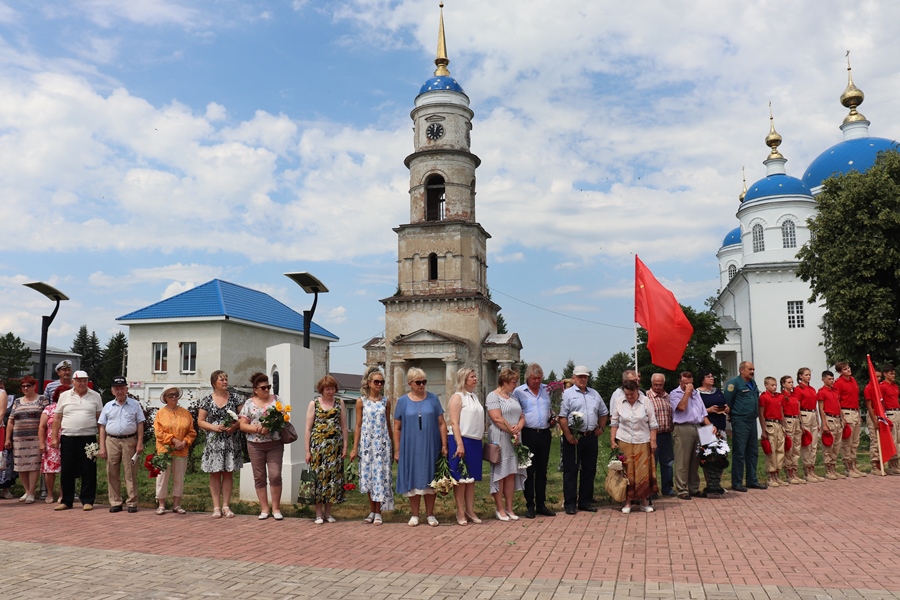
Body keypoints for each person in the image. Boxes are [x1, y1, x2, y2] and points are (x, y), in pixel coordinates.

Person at [393, 367, 448, 527]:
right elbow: (397, 427)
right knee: (413, 477)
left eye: (424, 382)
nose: (422, 385)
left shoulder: (433, 399)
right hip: (410, 446)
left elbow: (441, 423)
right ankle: (415, 515)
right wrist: (397, 449)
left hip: (431, 445)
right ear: (410, 383)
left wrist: (444, 444)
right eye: (418, 382)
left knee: (430, 478)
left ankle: (430, 514)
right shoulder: (402, 401)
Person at [558, 365, 608, 514]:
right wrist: (568, 435)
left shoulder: (594, 394)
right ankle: (570, 504)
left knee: (589, 470)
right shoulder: (567, 394)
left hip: (590, 437)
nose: (583, 379)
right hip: (574, 436)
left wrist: (602, 427)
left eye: (585, 376)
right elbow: (562, 416)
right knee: (571, 470)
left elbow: (604, 412)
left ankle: (585, 502)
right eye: (580, 376)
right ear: (573, 378)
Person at [51, 370, 103, 511]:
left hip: (89, 438)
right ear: (73, 381)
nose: (82, 383)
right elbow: (57, 418)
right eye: (79, 380)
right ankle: (67, 500)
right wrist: (54, 437)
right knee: (67, 469)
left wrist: (102, 441)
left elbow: (100, 421)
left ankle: (87, 500)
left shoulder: (95, 396)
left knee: (88, 470)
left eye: (84, 380)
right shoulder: (64, 396)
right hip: (68, 437)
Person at [197, 370, 244, 518]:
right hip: (214, 442)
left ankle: (226, 506)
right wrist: (213, 427)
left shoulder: (236, 398)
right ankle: (216, 506)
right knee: (215, 473)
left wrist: (234, 427)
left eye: (226, 379)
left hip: (230, 440)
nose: (225, 382)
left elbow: (243, 418)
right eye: (221, 380)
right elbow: (200, 421)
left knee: (228, 473)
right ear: (214, 383)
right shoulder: (206, 400)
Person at [350, 367, 394, 525]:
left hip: (381, 443)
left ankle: (379, 512)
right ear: (369, 383)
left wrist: (393, 447)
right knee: (369, 477)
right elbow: (358, 426)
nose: (379, 384)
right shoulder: (361, 401)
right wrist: (354, 447)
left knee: (380, 477)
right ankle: (371, 510)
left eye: (382, 382)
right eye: (376, 382)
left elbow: (388, 425)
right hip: (367, 444)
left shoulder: (386, 401)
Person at [241, 372, 287, 521]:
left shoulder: (277, 400)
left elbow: (283, 417)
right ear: (255, 389)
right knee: (259, 477)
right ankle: (264, 509)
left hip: (274, 444)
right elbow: (242, 425)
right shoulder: (249, 403)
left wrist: (270, 425)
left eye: (268, 387)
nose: (267, 390)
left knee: (275, 475)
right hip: (255, 445)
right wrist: (257, 428)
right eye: (263, 388)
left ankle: (276, 508)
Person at [513, 362, 555, 518]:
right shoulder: (519, 392)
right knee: (529, 470)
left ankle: (541, 504)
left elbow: (551, 409)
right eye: (534, 379)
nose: (537, 381)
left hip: (544, 433)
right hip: (527, 433)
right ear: (527, 378)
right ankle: (529, 504)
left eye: (539, 378)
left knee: (542, 471)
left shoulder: (547, 390)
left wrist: (553, 419)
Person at [304, 374, 347, 524]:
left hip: (334, 447)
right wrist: (307, 451)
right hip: (318, 447)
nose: (331, 391)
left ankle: (328, 513)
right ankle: (318, 514)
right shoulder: (314, 404)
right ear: (322, 390)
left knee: (332, 480)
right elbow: (308, 429)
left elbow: (344, 426)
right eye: (328, 389)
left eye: (333, 388)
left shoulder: (339, 402)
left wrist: (345, 446)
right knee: (318, 480)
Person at [98, 376, 145, 513]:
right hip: (111, 440)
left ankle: (132, 502)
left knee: (130, 472)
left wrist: (140, 443)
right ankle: (115, 502)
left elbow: (140, 423)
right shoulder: (107, 406)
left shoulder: (135, 405)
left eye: (122, 388)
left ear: (126, 389)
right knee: (111, 471)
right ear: (112, 391)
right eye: (117, 389)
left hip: (129, 441)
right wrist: (102, 446)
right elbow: (101, 427)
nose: (119, 391)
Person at [610, 380, 657, 513]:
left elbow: (653, 424)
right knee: (627, 471)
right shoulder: (619, 401)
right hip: (624, 440)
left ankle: (643, 501)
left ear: (637, 391)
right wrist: (612, 440)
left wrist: (653, 441)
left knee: (643, 472)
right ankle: (627, 502)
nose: (629, 397)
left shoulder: (646, 401)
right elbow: (614, 422)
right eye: (627, 394)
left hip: (643, 440)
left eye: (632, 394)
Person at [486, 368, 526, 522]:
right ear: (504, 382)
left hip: (514, 438)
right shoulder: (493, 396)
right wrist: (512, 431)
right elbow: (497, 418)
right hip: (501, 437)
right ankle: (500, 508)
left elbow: (522, 416)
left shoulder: (513, 397)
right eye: (513, 382)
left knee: (510, 474)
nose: (515, 385)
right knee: (500, 473)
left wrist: (519, 427)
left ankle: (509, 508)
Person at [447, 367, 484, 525]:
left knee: (471, 478)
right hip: (461, 440)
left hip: (475, 441)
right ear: (464, 379)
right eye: (472, 377)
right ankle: (460, 511)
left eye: (475, 377)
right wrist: (459, 444)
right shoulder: (457, 397)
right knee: (461, 478)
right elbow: (454, 422)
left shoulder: (474, 396)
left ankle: (470, 509)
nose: (475, 379)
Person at [4, 375, 50, 503]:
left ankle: (31, 492)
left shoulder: (43, 399)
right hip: (19, 438)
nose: (25, 388)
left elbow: (46, 418)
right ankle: (26, 490)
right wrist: (8, 438)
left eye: (28, 385)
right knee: (21, 465)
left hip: (36, 437)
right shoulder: (17, 401)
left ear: (34, 386)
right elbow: (11, 421)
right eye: (23, 386)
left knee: (34, 465)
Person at [723, 361, 767, 492]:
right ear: (741, 370)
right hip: (740, 420)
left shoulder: (753, 383)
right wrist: (732, 415)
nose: (752, 371)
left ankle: (752, 480)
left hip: (752, 420)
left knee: (752, 452)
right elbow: (727, 401)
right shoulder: (734, 383)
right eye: (749, 369)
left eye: (753, 369)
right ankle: (736, 482)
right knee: (740, 453)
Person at [154, 385, 197, 515]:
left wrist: (184, 442)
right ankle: (161, 504)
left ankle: (177, 504)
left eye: (175, 394)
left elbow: (192, 431)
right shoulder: (160, 413)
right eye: (171, 395)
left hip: (181, 450)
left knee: (179, 477)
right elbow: (158, 432)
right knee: (162, 477)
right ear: (165, 398)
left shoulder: (186, 413)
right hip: (164, 450)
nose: (174, 397)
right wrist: (173, 440)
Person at [697, 370, 728, 496]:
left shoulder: (718, 391)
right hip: (707, 428)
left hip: (720, 427)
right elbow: (696, 411)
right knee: (709, 457)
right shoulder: (697, 393)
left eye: (712, 376)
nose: (711, 378)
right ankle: (710, 485)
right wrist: (709, 410)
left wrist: (726, 408)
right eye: (708, 376)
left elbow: (726, 405)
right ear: (702, 379)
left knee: (721, 456)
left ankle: (718, 484)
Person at [833, 361, 866, 477]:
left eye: (848, 368)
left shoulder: (853, 380)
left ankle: (854, 465)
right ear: (840, 372)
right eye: (845, 369)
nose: (848, 370)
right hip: (846, 411)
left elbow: (856, 397)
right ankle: (847, 467)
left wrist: (858, 412)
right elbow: (837, 400)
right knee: (848, 441)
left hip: (855, 411)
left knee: (855, 441)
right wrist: (842, 417)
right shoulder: (839, 383)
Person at [38, 385, 68, 503]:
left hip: (67, 442)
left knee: (66, 470)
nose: (62, 396)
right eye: (60, 393)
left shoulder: (72, 409)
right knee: (50, 470)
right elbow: (41, 427)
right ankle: (49, 494)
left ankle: (63, 494)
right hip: (51, 444)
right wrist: (41, 443)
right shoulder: (49, 409)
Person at [646, 373, 675, 497]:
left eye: (660, 384)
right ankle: (652, 490)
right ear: (651, 383)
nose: (658, 387)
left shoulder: (668, 397)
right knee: (652, 464)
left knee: (668, 463)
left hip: (666, 434)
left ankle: (667, 488)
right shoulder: (646, 396)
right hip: (652, 435)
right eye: (655, 384)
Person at [795, 368, 823, 482]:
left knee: (814, 444)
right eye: (806, 375)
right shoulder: (798, 389)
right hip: (804, 413)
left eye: (809, 375)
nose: (808, 377)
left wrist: (818, 420)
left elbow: (815, 406)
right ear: (800, 376)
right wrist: (800, 421)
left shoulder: (812, 389)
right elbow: (797, 405)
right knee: (807, 444)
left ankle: (812, 469)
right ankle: (807, 470)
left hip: (812, 414)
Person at [759, 376, 787, 487]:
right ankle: (771, 475)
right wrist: (763, 429)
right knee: (771, 450)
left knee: (780, 449)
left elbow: (782, 412)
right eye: (772, 385)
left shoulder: (779, 397)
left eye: (775, 385)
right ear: (766, 385)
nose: (774, 387)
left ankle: (778, 474)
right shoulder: (764, 397)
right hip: (769, 424)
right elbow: (761, 414)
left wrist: (784, 426)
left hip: (779, 424)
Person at [818, 370, 845, 480]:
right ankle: (828, 469)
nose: (831, 381)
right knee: (829, 445)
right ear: (823, 379)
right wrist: (824, 424)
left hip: (838, 419)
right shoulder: (822, 392)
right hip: (829, 418)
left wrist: (842, 417)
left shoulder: (835, 391)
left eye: (832, 379)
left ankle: (833, 468)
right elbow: (821, 409)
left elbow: (839, 405)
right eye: (829, 379)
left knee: (837, 446)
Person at [780, 375, 803, 484]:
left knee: (797, 447)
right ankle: (788, 472)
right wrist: (783, 425)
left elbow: (798, 409)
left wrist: (801, 422)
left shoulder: (794, 395)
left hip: (796, 420)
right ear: (783, 384)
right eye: (789, 382)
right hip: (788, 420)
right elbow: (782, 411)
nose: (791, 384)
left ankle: (795, 470)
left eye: (792, 382)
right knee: (789, 446)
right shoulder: (783, 396)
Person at [865, 367, 888, 474]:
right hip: (873, 413)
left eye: (879, 376)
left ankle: (881, 463)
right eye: (876, 376)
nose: (878, 379)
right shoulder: (869, 388)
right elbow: (869, 406)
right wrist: (874, 421)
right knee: (875, 439)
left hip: (881, 413)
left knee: (882, 438)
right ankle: (874, 465)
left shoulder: (879, 387)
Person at [879, 365, 900, 475]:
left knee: (899, 440)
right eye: (891, 373)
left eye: (894, 373)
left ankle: (897, 462)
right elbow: (880, 402)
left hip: (897, 412)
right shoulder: (882, 386)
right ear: (885, 374)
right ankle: (892, 464)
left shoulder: (895, 386)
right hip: (889, 413)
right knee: (893, 438)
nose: (893, 375)